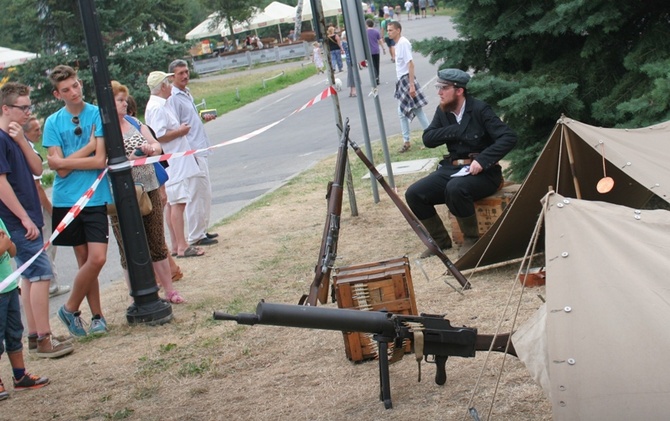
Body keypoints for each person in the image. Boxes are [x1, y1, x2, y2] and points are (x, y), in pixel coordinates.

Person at [405, 69, 517, 258]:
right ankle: (440, 241)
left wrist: (482, 160)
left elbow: (508, 137)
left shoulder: (480, 109)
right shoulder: (443, 111)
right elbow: (428, 139)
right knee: (415, 193)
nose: (439, 92)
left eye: (444, 88)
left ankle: (472, 239)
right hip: (453, 168)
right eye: (438, 87)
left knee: (455, 188)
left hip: (484, 173)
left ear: (459, 90)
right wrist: (456, 130)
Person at [0, 83, 74, 358]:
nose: (28, 113)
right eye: (23, 108)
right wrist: (23, 218)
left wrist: (22, 140)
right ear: (6, 108)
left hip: (28, 216)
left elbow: (36, 168)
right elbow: (2, 185)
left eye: (29, 107)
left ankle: (35, 335)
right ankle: (43, 338)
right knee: (42, 273)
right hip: (17, 220)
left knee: (31, 276)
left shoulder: (16, 137)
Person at [43, 65, 112, 337]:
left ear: (80, 83)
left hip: (94, 196)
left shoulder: (95, 112)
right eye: (65, 90)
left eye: (75, 86)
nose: (73, 92)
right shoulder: (53, 122)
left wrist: (65, 160)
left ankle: (69, 308)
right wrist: (86, 149)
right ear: (57, 94)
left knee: (97, 258)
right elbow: (59, 170)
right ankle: (97, 316)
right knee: (84, 259)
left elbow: (99, 160)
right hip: (66, 198)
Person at [108, 81, 185, 304]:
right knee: (127, 245)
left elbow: (156, 144)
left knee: (156, 241)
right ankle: (138, 294)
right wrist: (129, 159)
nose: (125, 104)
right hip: (122, 194)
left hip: (148, 186)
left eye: (125, 99)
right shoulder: (103, 131)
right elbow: (103, 161)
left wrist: (152, 149)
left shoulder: (134, 121)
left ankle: (170, 290)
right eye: (120, 100)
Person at [145, 71, 206, 261]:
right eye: (168, 83)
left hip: (176, 160)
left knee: (174, 204)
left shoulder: (163, 104)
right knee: (178, 203)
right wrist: (180, 131)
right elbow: (159, 135)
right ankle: (182, 245)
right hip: (173, 162)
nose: (171, 86)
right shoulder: (156, 107)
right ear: (162, 86)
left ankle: (175, 244)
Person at [125, 96, 183, 282]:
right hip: (134, 188)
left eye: (127, 110)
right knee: (146, 235)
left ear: (131, 112)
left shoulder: (140, 127)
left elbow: (161, 162)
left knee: (155, 235)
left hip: (152, 185)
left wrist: (162, 190)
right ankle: (167, 271)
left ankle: (171, 271)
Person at [167, 59, 219, 247]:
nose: (185, 76)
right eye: (180, 73)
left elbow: (190, 120)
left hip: (200, 146)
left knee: (205, 191)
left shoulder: (186, 93)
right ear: (172, 76)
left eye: (186, 72)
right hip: (191, 150)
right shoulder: (173, 97)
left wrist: (202, 118)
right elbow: (177, 126)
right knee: (196, 192)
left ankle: (202, 229)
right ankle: (195, 234)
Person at [0, 217, 50, 401]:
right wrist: (3, 245)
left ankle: (20, 376)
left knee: (14, 332)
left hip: (10, 288)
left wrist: (8, 244)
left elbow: (12, 251)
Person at [22, 116, 71, 299]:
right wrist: (51, 210)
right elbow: (38, 188)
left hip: (30, 206)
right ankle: (51, 284)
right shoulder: (26, 150)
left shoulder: (28, 147)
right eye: (35, 130)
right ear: (25, 132)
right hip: (36, 207)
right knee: (47, 244)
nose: (39, 133)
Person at [387, 21, 430, 153]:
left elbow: (411, 64)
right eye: (388, 30)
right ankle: (407, 141)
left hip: (406, 79)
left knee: (416, 110)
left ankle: (430, 137)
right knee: (403, 112)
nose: (388, 32)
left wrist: (411, 85)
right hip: (402, 80)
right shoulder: (397, 44)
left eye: (391, 30)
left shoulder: (403, 43)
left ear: (398, 30)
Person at [366, 19, 385, 85]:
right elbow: (380, 41)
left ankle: (375, 77)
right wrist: (383, 48)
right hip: (376, 50)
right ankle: (377, 78)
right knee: (377, 65)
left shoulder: (365, 32)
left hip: (369, 51)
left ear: (367, 24)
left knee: (372, 65)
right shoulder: (376, 32)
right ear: (373, 24)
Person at [341, 32, 357, 98]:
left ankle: (352, 90)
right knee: (352, 75)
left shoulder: (345, 43)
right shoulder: (346, 43)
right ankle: (353, 90)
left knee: (351, 75)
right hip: (350, 60)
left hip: (349, 60)